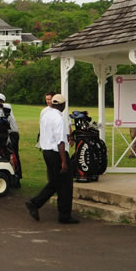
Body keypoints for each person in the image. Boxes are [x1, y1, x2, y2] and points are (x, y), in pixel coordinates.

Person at [27, 94, 79, 224]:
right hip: (57, 153)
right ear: (62, 105)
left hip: (46, 151)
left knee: (56, 181)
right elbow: (60, 141)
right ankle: (37, 203)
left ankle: (61, 213)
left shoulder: (46, 115)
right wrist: (64, 161)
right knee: (65, 184)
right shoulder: (58, 118)